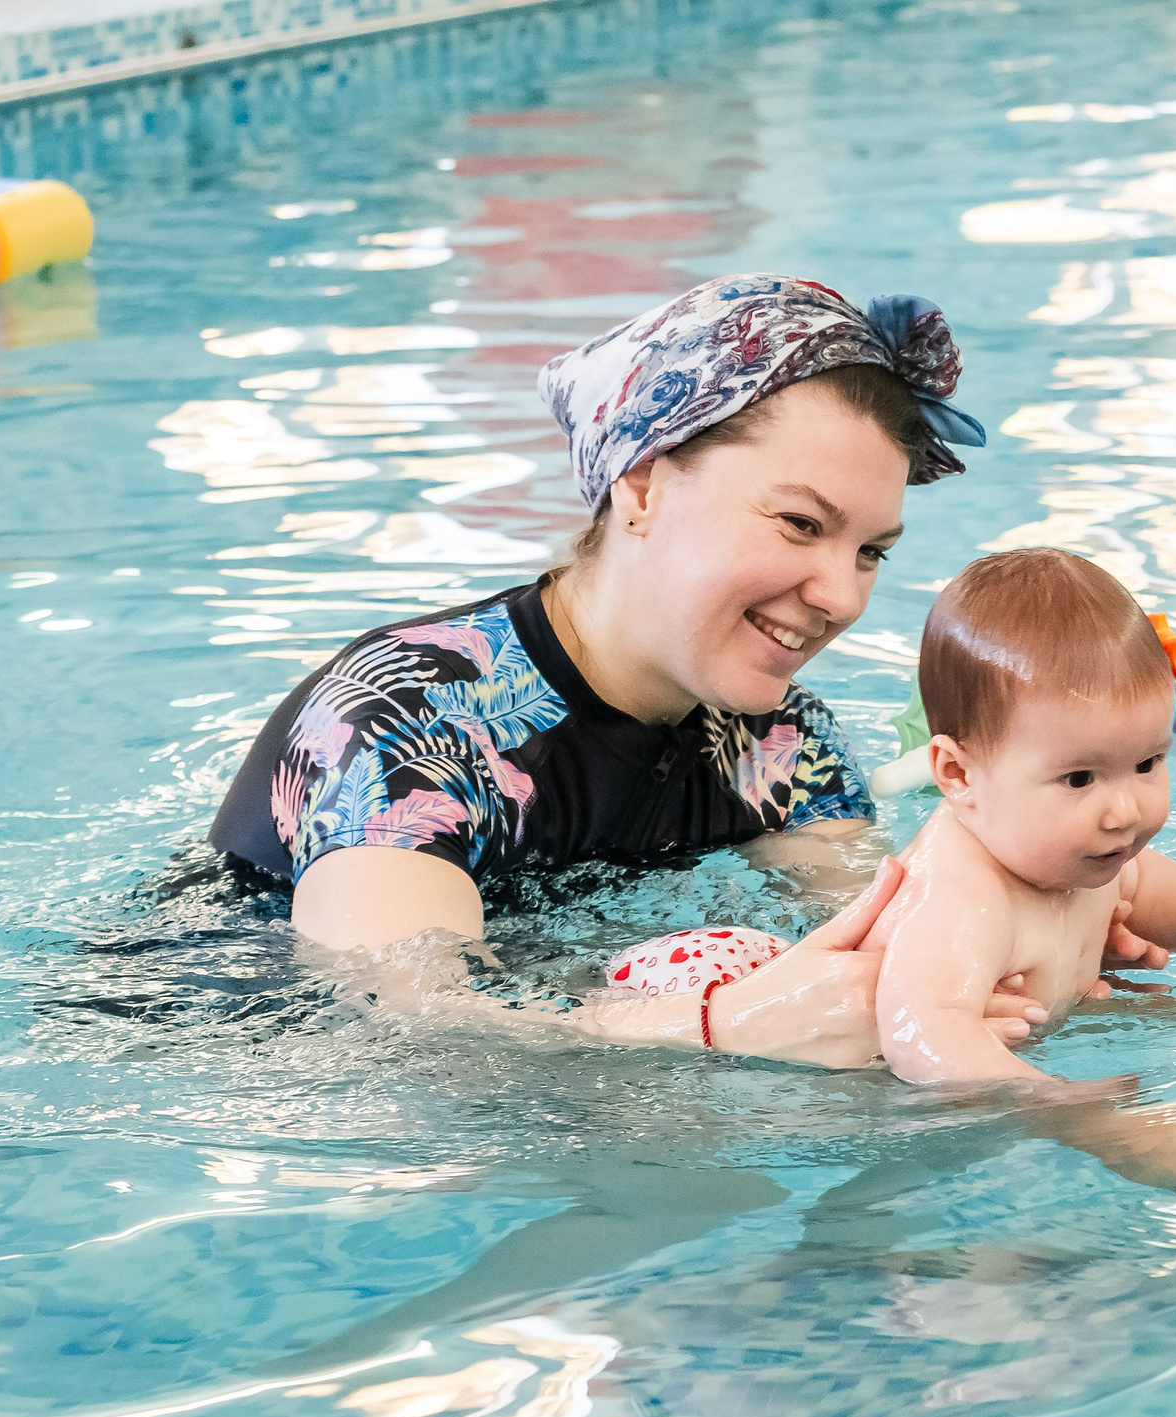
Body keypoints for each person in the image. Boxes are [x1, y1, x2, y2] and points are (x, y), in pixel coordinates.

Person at [207, 272, 1063, 1065]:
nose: (840, 596)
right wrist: (726, 1023)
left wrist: (1045, 929)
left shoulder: (781, 740)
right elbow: (412, 1021)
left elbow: (883, 929)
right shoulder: (406, 719)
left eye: (870, 550)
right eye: (801, 524)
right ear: (642, 488)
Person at [862, 548, 1176, 1082]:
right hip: (884, 1102)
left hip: (1049, 1043)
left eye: (1147, 763)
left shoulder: (1086, 853)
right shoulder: (959, 897)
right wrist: (1053, 1104)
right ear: (959, 775)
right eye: (1078, 779)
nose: (1123, 813)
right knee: (1160, 1140)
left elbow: (1168, 905)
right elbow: (919, 1035)